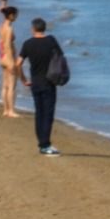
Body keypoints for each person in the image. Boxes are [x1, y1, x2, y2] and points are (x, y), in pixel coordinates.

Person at [18, 17, 64, 156]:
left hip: (35, 83)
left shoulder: (28, 43)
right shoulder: (51, 41)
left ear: (33, 29)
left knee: (39, 113)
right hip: (49, 81)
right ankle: (45, 145)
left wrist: (23, 79)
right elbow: (60, 57)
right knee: (48, 114)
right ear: (44, 28)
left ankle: (42, 143)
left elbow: (17, 63)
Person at [0, 5, 19, 119]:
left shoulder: (1, 26)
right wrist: (12, 62)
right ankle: (11, 110)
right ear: (11, 15)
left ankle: (5, 109)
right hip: (8, 58)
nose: (16, 17)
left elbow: (0, 42)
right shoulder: (9, 29)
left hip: (2, 57)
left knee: (4, 85)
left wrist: (2, 56)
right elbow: (7, 45)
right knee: (11, 86)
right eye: (15, 15)